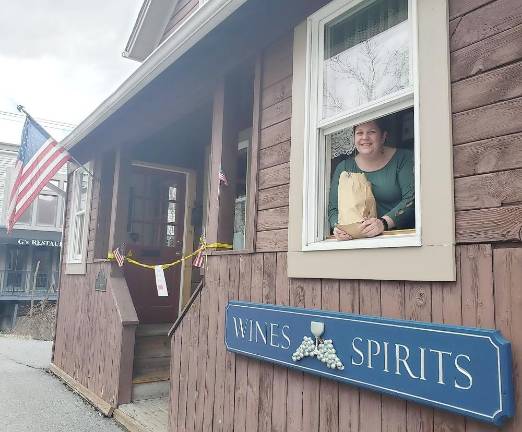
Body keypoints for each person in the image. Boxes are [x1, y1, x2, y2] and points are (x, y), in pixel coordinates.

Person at [328, 118, 415, 240]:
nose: (364, 137)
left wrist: (383, 223)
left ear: (383, 136)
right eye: (359, 133)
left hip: (400, 238)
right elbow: (333, 208)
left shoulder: (403, 158)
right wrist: (337, 227)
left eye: (371, 132)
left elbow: (412, 200)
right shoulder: (344, 167)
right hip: (357, 241)